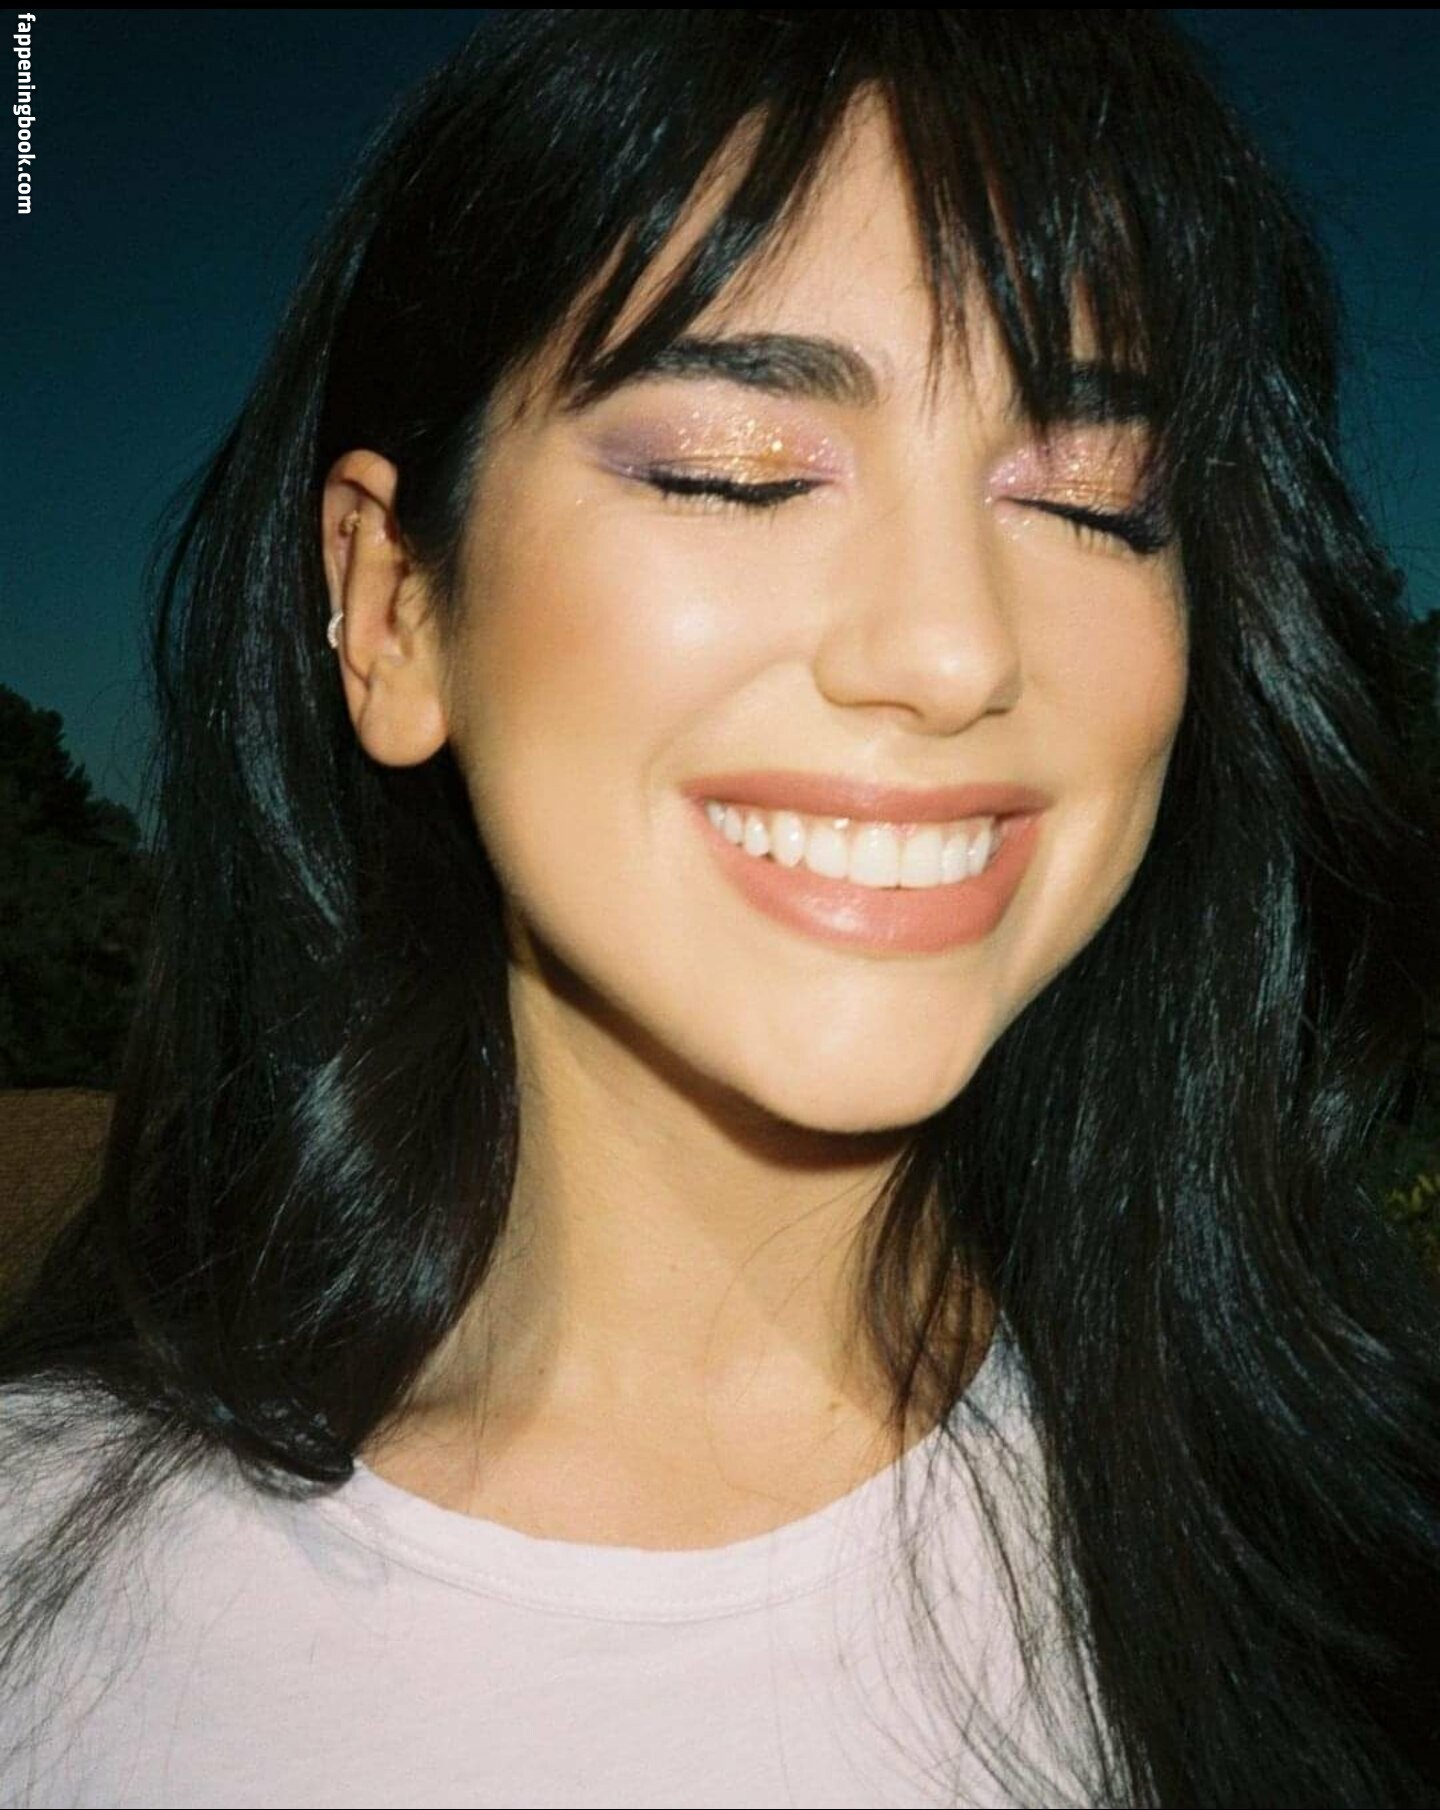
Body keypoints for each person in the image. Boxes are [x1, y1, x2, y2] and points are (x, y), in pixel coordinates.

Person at [2, 11, 1438, 1807]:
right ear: (391, 605)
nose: (951, 650)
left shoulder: (1350, 1531)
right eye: (736, 467)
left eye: (1091, 503)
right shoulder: (46, 1619)